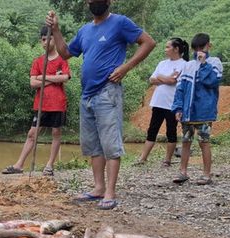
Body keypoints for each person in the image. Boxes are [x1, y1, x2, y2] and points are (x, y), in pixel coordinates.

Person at [46, 0, 155, 209]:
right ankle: (98, 188)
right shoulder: (85, 30)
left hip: (108, 91)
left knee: (110, 143)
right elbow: (66, 53)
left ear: (109, 1)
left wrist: (126, 67)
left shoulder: (120, 22)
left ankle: (110, 193)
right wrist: (56, 30)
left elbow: (148, 42)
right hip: (87, 94)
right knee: (93, 144)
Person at [2, 26, 71, 177]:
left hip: (58, 103)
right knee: (32, 134)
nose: (46, 42)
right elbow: (32, 83)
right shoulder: (38, 61)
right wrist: (54, 79)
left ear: (55, 39)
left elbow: (65, 78)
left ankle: (49, 165)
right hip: (41, 104)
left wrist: (42, 77)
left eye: (49, 38)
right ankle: (19, 164)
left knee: (56, 133)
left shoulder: (61, 59)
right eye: (43, 39)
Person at [171, 33, 222, 185]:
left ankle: (206, 175)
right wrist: (178, 108)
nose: (199, 51)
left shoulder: (215, 62)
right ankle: (182, 172)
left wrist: (204, 64)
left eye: (202, 47)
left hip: (204, 111)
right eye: (196, 48)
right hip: (188, 112)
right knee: (185, 141)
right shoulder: (188, 65)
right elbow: (180, 88)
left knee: (203, 141)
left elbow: (212, 82)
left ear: (209, 46)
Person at [136, 38, 189, 167]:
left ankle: (167, 160)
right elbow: (152, 79)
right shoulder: (162, 63)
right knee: (152, 130)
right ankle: (143, 158)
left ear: (176, 49)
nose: (165, 50)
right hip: (158, 102)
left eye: (167, 47)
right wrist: (166, 78)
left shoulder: (184, 65)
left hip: (172, 103)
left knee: (171, 131)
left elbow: (173, 81)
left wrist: (160, 77)